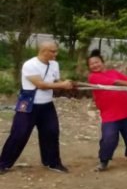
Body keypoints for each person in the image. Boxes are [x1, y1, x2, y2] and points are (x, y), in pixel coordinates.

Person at [0, 41, 74, 174]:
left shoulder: (54, 64)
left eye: (56, 51)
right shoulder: (30, 65)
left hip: (47, 105)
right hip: (29, 105)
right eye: (53, 51)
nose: (56, 54)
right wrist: (62, 85)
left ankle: (52, 162)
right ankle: (3, 164)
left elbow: (55, 81)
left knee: (51, 133)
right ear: (43, 51)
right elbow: (40, 84)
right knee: (19, 134)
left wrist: (66, 84)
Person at [87, 50, 127, 173]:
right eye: (91, 64)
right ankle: (104, 161)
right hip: (110, 114)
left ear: (102, 62)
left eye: (97, 62)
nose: (95, 65)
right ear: (89, 67)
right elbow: (116, 83)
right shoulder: (93, 77)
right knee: (109, 138)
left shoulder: (114, 72)